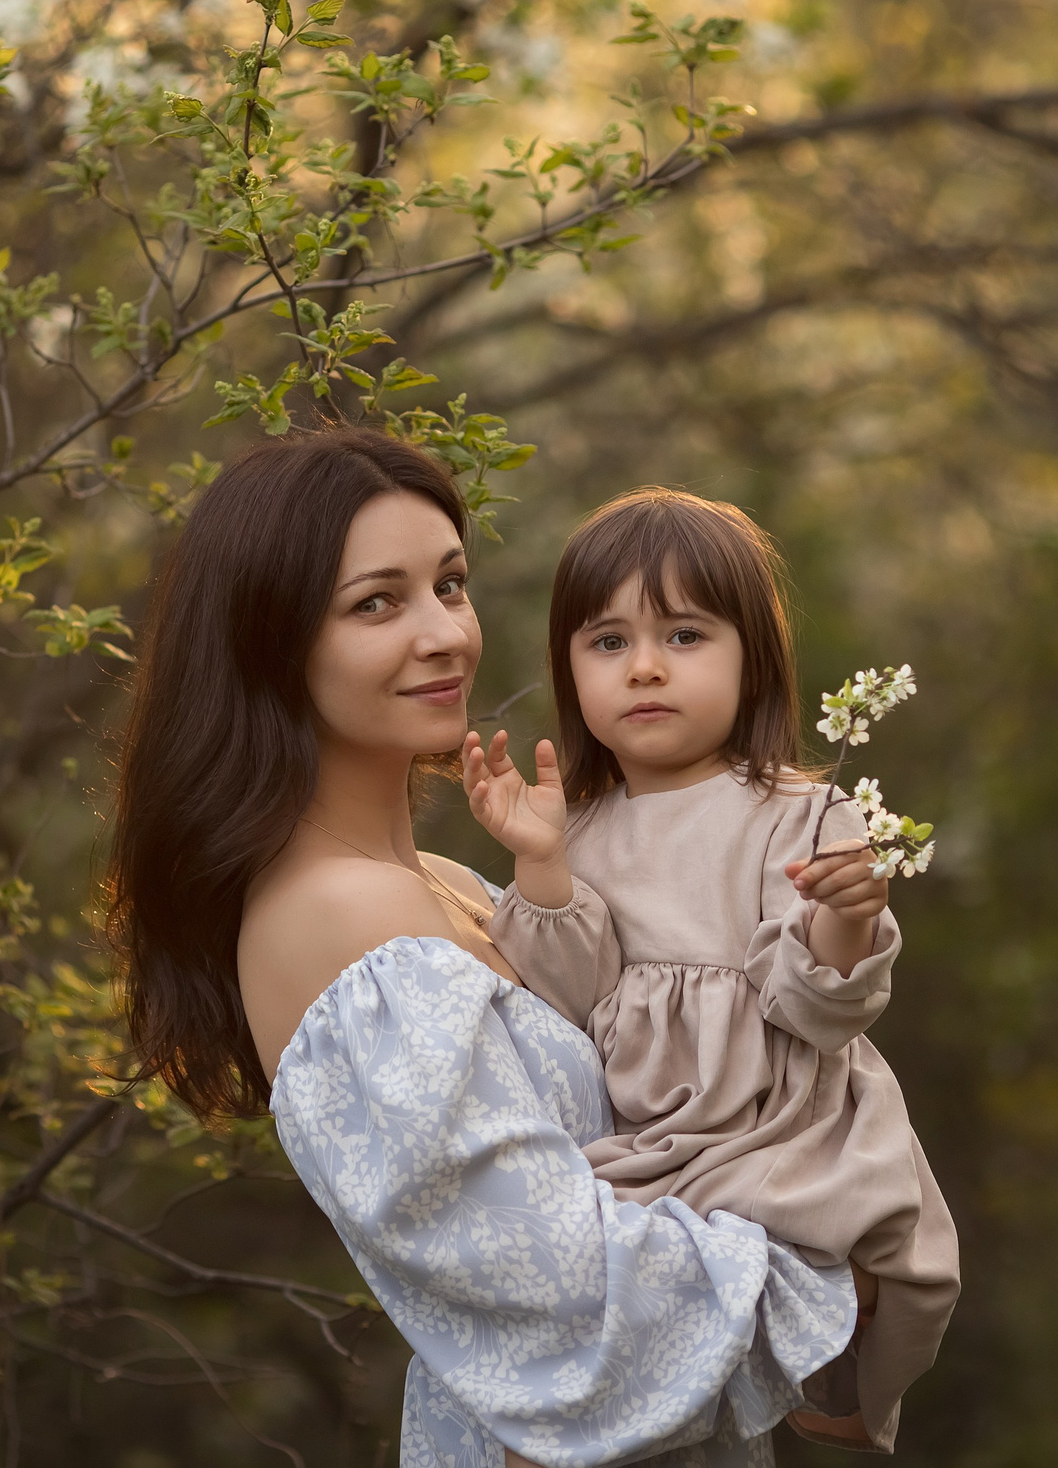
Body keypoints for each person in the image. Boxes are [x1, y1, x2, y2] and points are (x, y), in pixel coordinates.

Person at [104, 429, 859, 1467]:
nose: (444, 635)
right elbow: (560, 1295)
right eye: (377, 603)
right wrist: (819, 1240)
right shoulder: (333, 921)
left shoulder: (455, 888)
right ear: (269, 640)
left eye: (449, 585)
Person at [463, 488, 961, 1452]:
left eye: (685, 635)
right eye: (607, 642)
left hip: (777, 1126)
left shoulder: (798, 817)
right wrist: (541, 863)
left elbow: (816, 1012)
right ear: (569, 669)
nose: (644, 666)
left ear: (752, 659)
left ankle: (834, 1379)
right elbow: (570, 1003)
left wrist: (844, 920)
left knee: (893, 1268)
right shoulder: (582, 828)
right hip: (646, 1141)